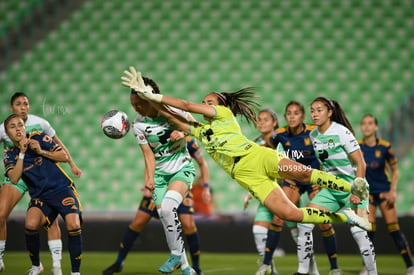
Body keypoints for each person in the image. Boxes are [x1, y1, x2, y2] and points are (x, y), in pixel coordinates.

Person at [120, 67, 371, 235]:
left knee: (304, 174)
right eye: (204, 102)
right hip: (245, 176)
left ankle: (354, 187)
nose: (205, 105)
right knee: (291, 214)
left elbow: (185, 105)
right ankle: (347, 217)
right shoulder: (199, 130)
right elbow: (172, 115)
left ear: (220, 105)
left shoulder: (223, 114)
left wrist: (155, 94)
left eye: (209, 102)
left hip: (257, 156)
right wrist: (150, 99)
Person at [120, 78, 198, 275]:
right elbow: (148, 154)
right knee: (165, 214)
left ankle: (175, 255)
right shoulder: (138, 125)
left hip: (182, 168)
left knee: (169, 208)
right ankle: (185, 266)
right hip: (160, 175)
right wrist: (149, 178)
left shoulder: (172, 111)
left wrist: (182, 133)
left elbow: (196, 126)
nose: (136, 108)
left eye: (140, 103)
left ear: (150, 98)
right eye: (133, 105)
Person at [102, 134, 210, 275]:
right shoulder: (157, 136)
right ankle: (119, 262)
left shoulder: (188, 141)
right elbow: (149, 161)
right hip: (159, 184)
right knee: (137, 223)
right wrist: (147, 183)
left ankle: (195, 266)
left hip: (179, 184)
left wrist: (206, 187)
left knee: (189, 225)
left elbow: (202, 163)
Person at [0, 92, 82, 274]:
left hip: (58, 188)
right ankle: (35, 265)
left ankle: (67, 269)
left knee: (71, 225)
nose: (18, 128)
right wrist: (22, 153)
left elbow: (62, 153)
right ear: (7, 133)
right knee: (28, 224)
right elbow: (14, 178)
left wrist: (44, 153)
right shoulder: (10, 154)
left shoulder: (39, 134)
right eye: (13, 127)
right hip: (34, 188)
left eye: (20, 125)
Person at [294, 97, 377, 275]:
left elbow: (361, 164)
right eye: (312, 110)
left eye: (319, 110)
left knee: (359, 233)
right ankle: (302, 272)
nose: (315, 114)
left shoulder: (342, 132)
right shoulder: (313, 135)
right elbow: (324, 162)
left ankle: (372, 273)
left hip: (353, 188)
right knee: (304, 223)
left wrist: (357, 191)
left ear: (330, 112)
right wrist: (320, 183)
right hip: (331, 190)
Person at [256, 101, 330, 275]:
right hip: (294, 181)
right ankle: (266, 265)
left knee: (324, 224)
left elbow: (326, 154)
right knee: (278, 218)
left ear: (303, 116)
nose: (291, 116)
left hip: (313, 180)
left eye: (295, 113)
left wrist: (322, 176)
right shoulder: (281, 135)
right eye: (288, 113)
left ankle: (332, 268)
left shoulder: (314, 131)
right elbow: (269, 148)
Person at [359, 114, 414, 275]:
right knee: (367, 231)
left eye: (370, 124)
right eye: (364, 124)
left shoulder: (385, 147)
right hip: (368, 195)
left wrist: (393, 191)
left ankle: (410, 266)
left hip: (384, 192)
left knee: (394, 228)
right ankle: (367, 267)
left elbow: (395, 171)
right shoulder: (358, 147)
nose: (367, 127)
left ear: (376, 127)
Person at [243, 108, 280, 274]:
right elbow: (255, 172)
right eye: (260, 119)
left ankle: (312, 269)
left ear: (275, 123)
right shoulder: (255, 145)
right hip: (267, 194)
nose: (262, 122)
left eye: (266, 119)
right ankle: (270, 268)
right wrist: (251, 192)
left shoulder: (283, 141)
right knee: (258, 230)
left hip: (288, 193)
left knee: (300, 233)